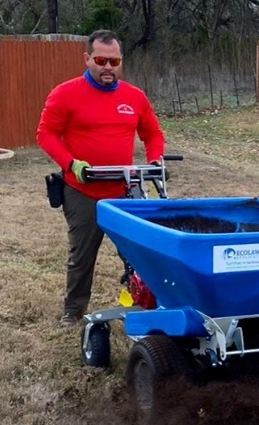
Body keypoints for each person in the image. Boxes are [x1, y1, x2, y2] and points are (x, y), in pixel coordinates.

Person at [36, 29, 165, 327]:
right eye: (101, 60)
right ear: (87, 58)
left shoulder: (134, 97)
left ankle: (143, 301)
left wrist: (154, 159)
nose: (108, 67)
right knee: (82, 255)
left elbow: (152, 133)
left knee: (138, 252)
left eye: (114, 60)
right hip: (83, 189)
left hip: (124, 189)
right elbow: (45, 134)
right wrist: (71, 163)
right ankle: (73, 310)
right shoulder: (65, 93)